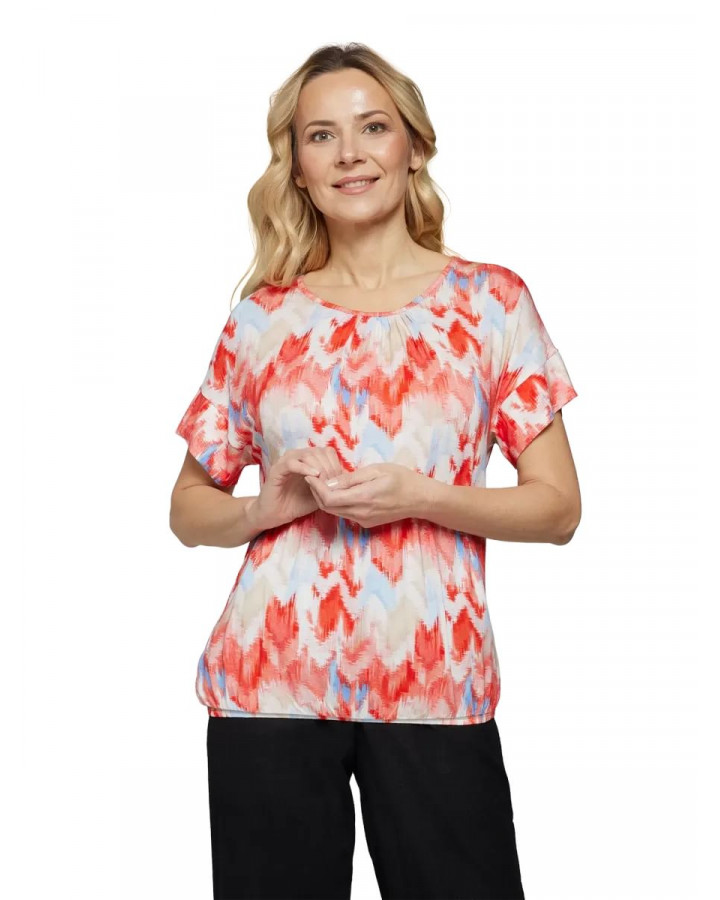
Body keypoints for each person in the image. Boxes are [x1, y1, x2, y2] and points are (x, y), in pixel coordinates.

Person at [170, 42, 580, 900]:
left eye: (373, 128)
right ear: (298, 167)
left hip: (435, 682)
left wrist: (420, 497)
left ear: (414, 146)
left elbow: (557, 509)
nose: (349, 153)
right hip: (269, 684)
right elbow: (188, 507)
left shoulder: (492, 303)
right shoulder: (262, 320)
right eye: (321, 135)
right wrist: (262, 510)